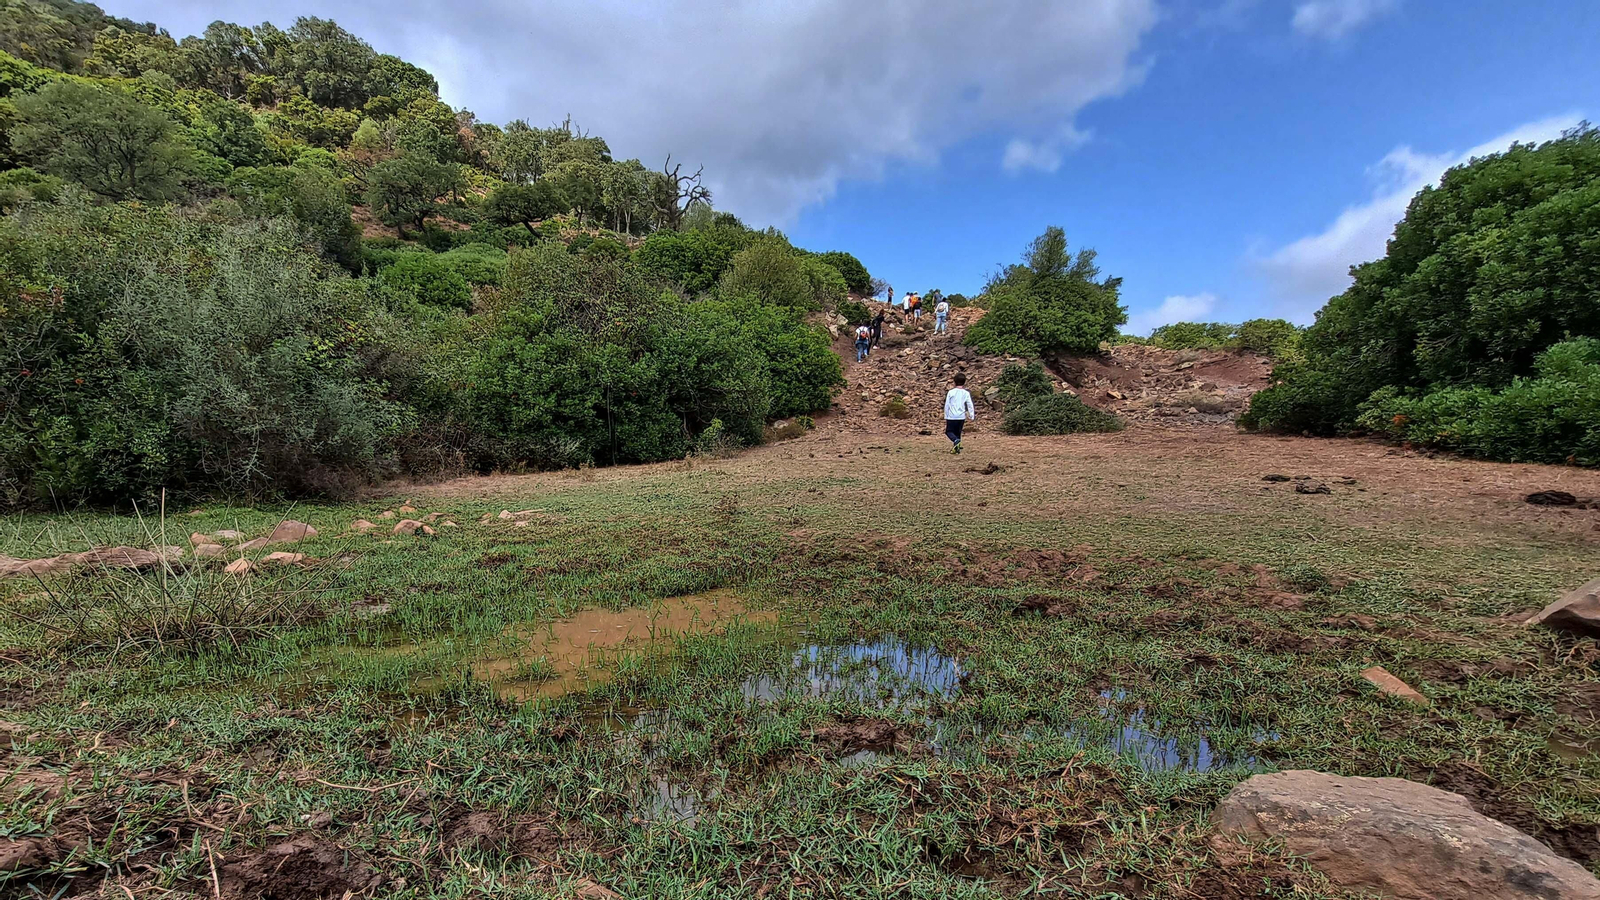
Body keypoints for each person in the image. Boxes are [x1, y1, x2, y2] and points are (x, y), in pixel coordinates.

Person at [943, 372, 974, 454]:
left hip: (952, 416)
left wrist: (946, 415)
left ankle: (956, 441)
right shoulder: (966, 393)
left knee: (949, 431)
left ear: (954, 382)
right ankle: (957, 447)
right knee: (958, 432)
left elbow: (947, 404)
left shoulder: (951, 392)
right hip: (961, 416)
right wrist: (971, 415)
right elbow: (970, 404)